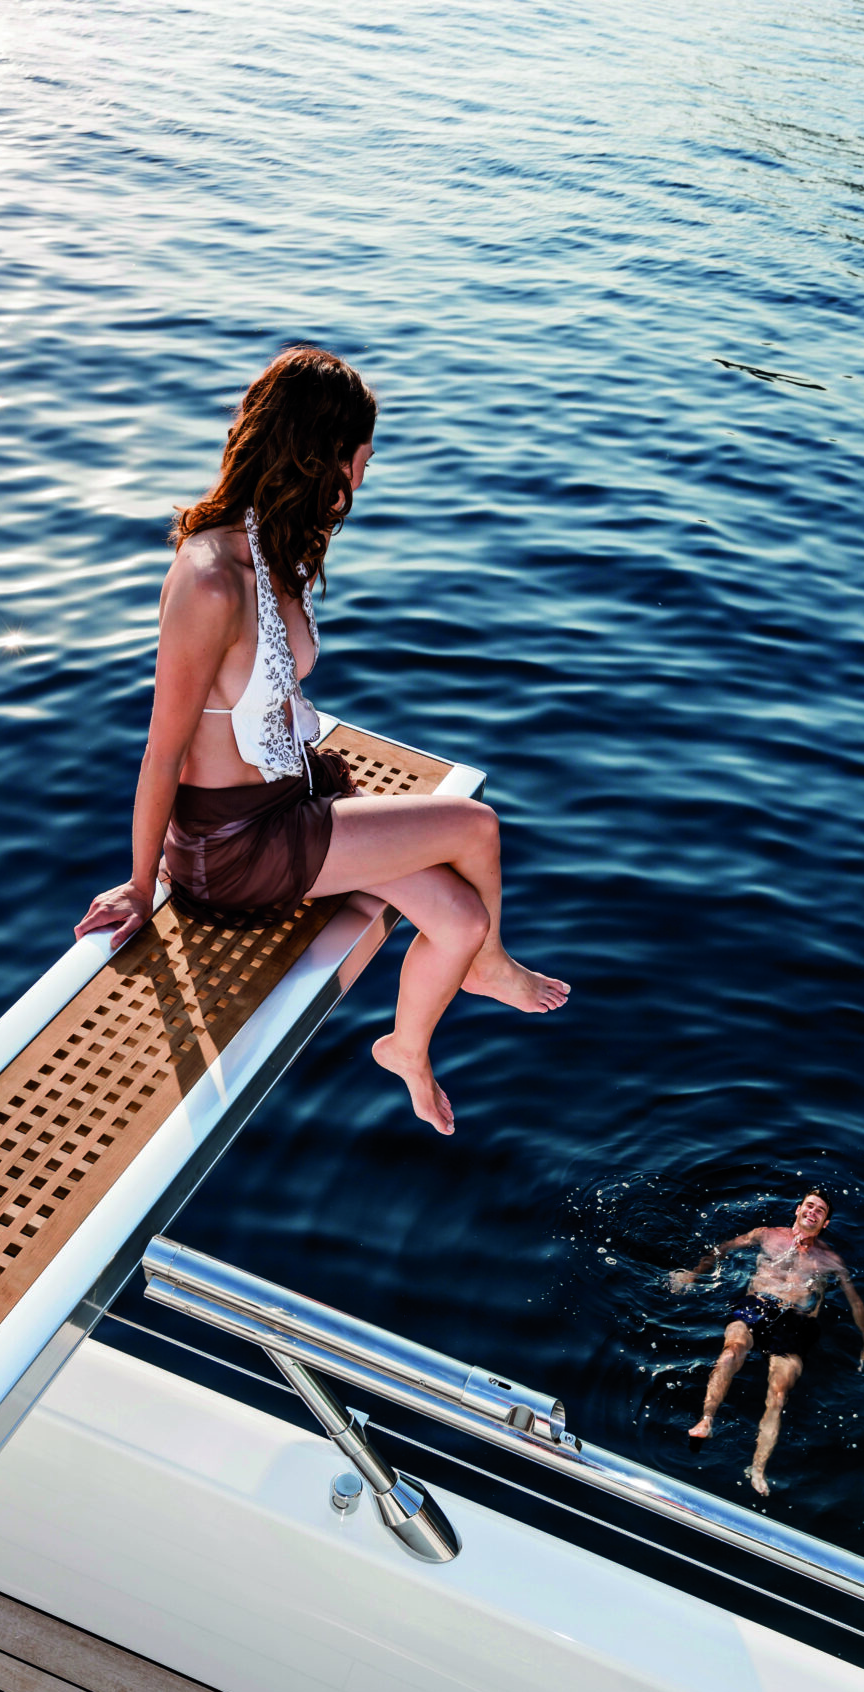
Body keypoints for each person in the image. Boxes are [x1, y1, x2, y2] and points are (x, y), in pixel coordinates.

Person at [75, 347, 568, 1136]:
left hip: (289, 799)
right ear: (324, 455)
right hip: (233, 844)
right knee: (474, 825)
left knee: (460, 917)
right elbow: (162, 749)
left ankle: (406, 1047)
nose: (364, 478)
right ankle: (489, 969)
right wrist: (140, 884)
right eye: (361, 458)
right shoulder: (208, 578)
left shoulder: (275, 548)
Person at [670, 1188, 864, 1495]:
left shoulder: (830, 1260)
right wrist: (692, 1274)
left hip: (797, 1321)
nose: (813, 1211)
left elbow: (856, 1302)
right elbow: (724, 1248)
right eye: (809, 1205)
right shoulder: (767, 1235)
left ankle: (757, 1468)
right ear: (798, 1209)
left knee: (779, 1392)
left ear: (825, 1224)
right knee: (731, 1353)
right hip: (757, 1304)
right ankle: (706, 1420)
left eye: (820, 1211)